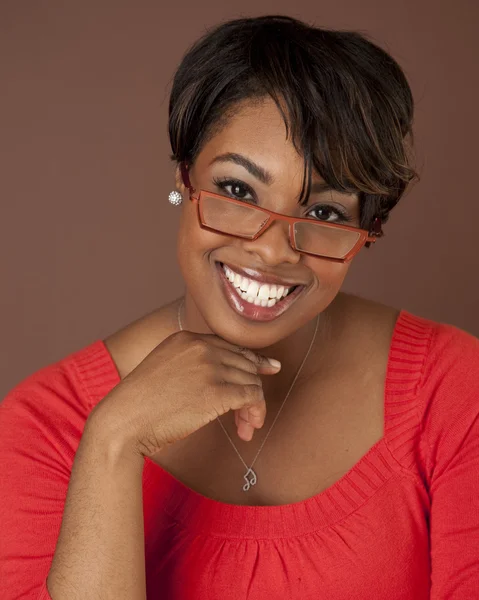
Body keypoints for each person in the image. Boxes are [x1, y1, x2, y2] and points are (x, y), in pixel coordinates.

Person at [1, 14, 478, 600]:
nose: (272, 249)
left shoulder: (453, 391)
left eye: (325, 213)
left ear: (368, 230)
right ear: (184, 176)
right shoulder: (44, 427)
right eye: (237, 191)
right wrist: (114, 441)